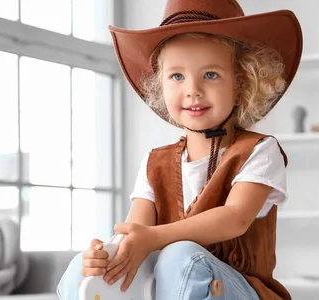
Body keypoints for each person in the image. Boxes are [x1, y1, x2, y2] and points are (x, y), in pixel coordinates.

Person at [57, 0, 303, 299]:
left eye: (210, 75)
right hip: (174, 286)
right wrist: (106, 254)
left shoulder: (259, 150)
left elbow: (236, 217)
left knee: (180, 256)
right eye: (177, 76)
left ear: (240, 83)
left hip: (242, 290)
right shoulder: (154, 162)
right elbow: (136, 229)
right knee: (79, 269)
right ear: (160, 84)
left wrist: (155, 237)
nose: (192, 89)